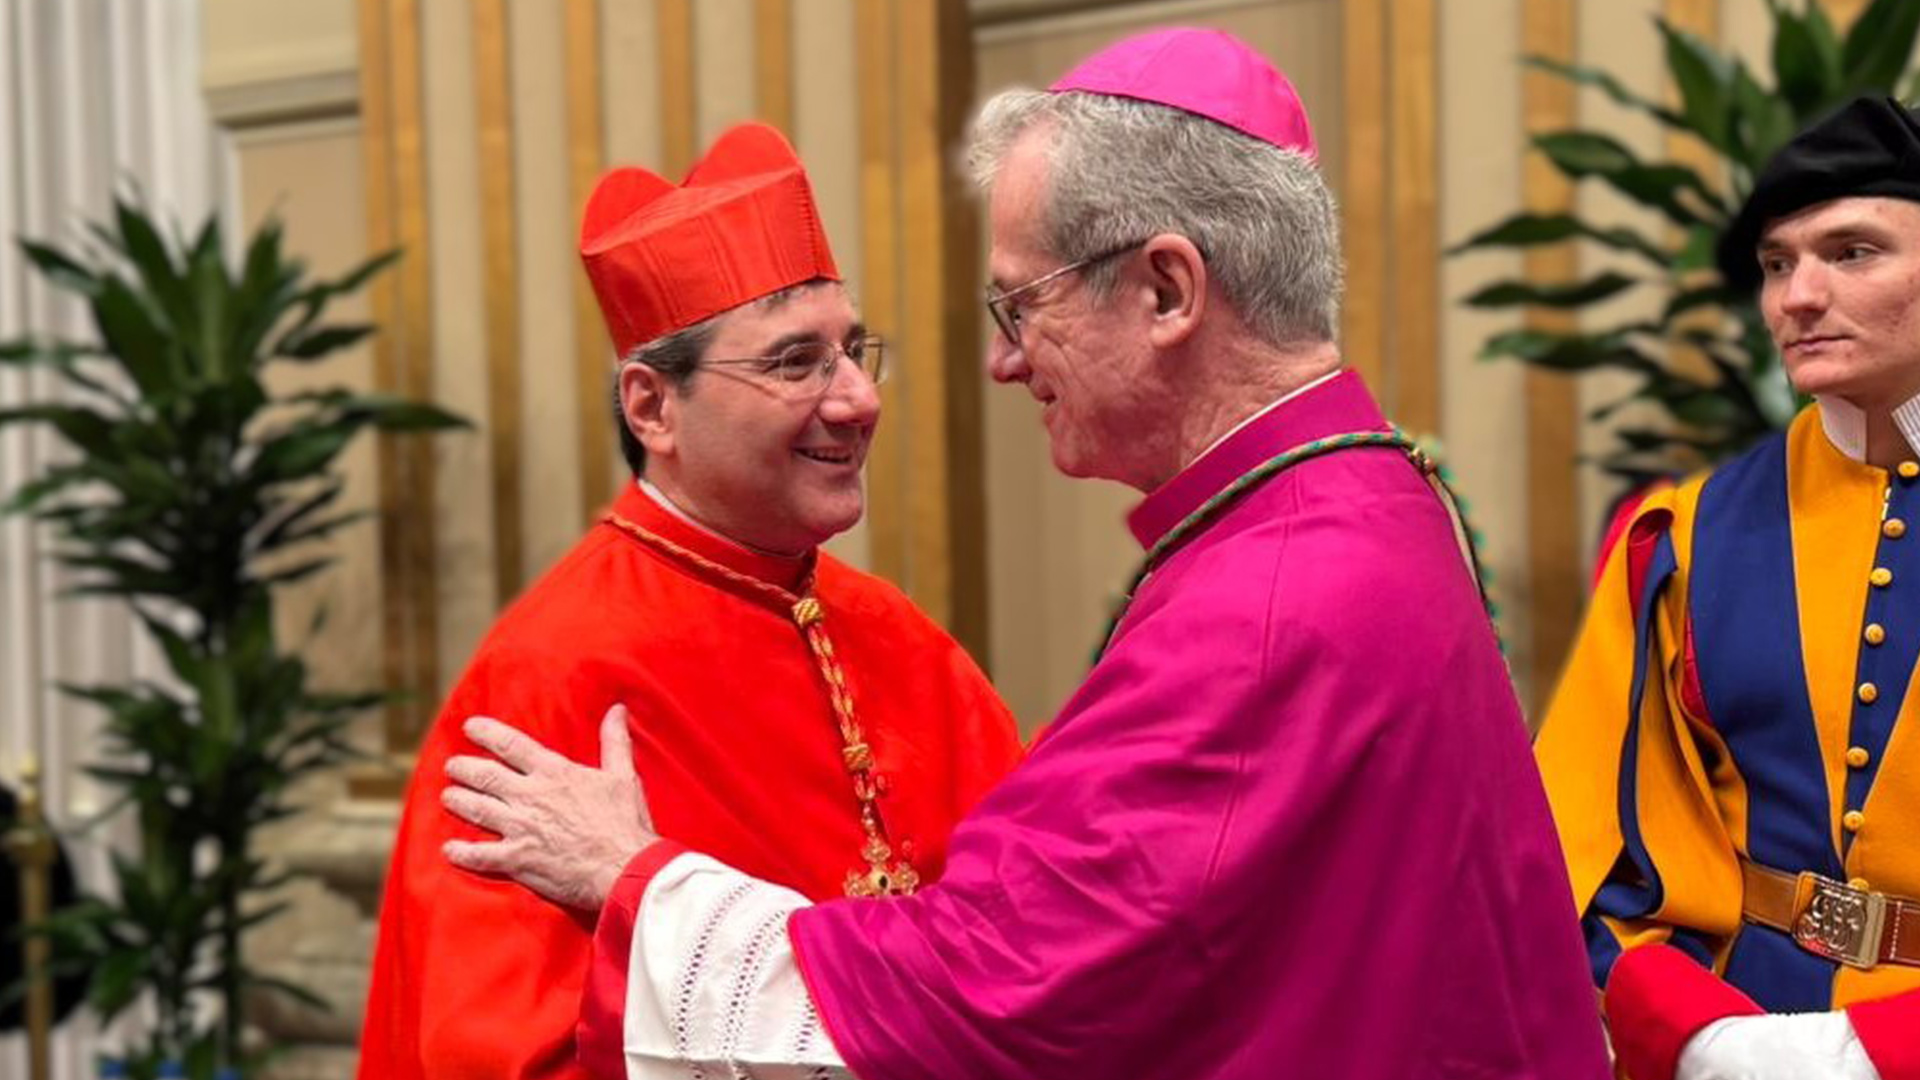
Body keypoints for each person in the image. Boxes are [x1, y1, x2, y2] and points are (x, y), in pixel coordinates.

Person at [442, 29, 1610, 1080]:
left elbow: (986, 987)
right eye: (795, 364)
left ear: (1166, 290)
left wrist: (639, 883)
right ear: (652, 405)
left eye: (1018, 308)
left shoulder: (1262, 598)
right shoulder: (1356, 499)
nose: (999, 366)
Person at [355, 122, 1024, 1080]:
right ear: (651, 407)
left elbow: (1033, 939)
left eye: (852, 350)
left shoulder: (901, 640)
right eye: (795, 362)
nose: (857, 400)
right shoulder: (542, 685)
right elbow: (496, 1053)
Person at [1535, 96, 1920, 1080]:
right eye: (1778, 264)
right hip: (1741, 1034)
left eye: (1853, 252)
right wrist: (1705, 1034)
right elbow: (1588, 844)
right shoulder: (1685, 538)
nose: (1798, 297)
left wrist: (1874, 1048)